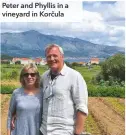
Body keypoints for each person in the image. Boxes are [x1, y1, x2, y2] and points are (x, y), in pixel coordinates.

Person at [40, 44, 88, 135]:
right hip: (43, 130)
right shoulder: (44, 77)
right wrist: (17, 111)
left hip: (64, 131)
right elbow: (35, 96)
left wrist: (78, 132)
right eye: (49, 56)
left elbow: (82, 107)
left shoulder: (74, 76)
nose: (52, 59)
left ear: (62, 57)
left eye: (55, 55)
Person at [7, 63, 42, 135]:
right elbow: (10, 116)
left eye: (32, 74)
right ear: (22, 77)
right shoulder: (16, 93)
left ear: (37, 76)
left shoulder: (43, 93)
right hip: (19, 131)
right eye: (26, 74)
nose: (29, 77)